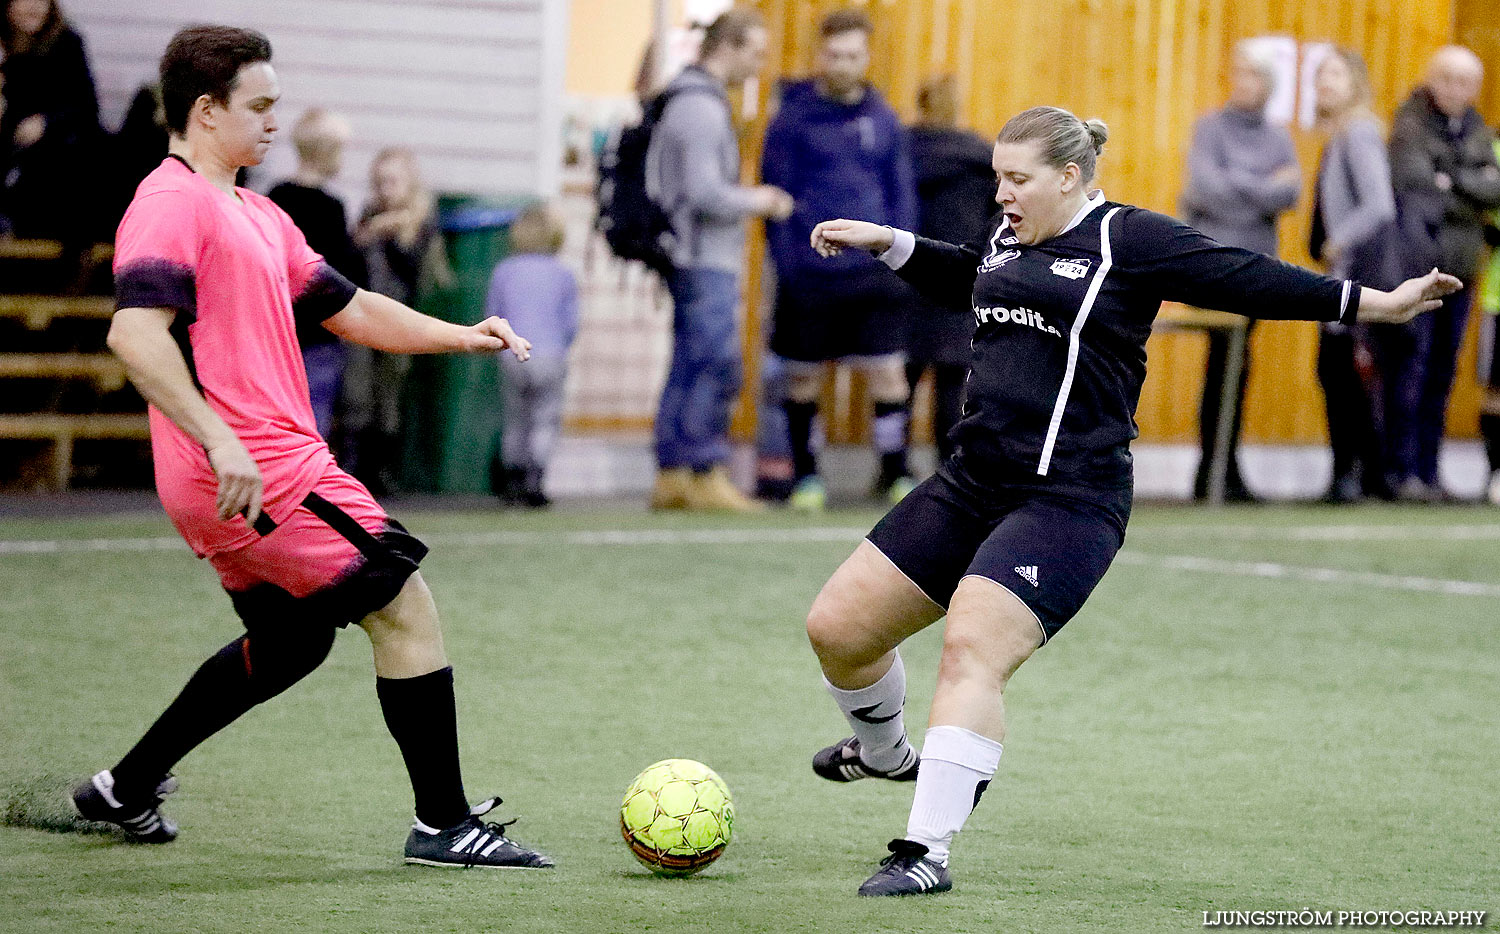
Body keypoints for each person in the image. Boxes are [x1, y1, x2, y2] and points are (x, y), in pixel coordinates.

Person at [801, 105, 1458, 897]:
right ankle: (886, 755)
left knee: (972, 644)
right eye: (998, 178)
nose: (1002, 194)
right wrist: (892, 244)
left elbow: (1246, 278)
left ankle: (924, 852)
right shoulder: (1013, 234)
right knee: (837, 629)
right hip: (973, 480)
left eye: (1018, 179)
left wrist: (1374, 303)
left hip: (1070, 499)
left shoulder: (1129, 240)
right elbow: (975, 276)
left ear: (1070, 177)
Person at [71, 25, 553, 869]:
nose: (272, 124)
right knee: (403, 601)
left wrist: (463, 336)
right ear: (205, 110)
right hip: (260, 469)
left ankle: (126, 787)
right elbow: (134, 336)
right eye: (258, 108)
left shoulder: (257, 211)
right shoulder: (169, 201)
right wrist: (222, 441)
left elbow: (353, 308)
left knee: (296, 642)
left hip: (246, 471)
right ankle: (444, 824)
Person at [762, 9, 918, 511]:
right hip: (809, 279)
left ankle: (895, 474)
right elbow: (776, 199)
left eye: (853, 55)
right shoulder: (791, 118)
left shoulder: (883, 118)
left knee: (889, 375)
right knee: (803, 379)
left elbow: (901, 196)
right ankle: (806, 478)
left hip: (873, 277)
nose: (843, 63)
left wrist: (898, 257)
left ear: (866, 57)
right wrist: (791, 265)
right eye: (835, 54)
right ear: (820, 56)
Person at [645, 8, 792, 513]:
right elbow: (705, 192)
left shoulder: (688, 100)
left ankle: (675, 475)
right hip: (703, 257)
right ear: (727, 46)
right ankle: (702, 468)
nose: (761, 62)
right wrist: (762, 199)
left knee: (691, 361)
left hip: (692, 254)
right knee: (712, 362)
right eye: (755, 50)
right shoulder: (701, 106)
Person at [1179, 42, 1302, 502]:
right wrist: (1260, 186)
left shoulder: (1278, 135)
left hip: (1254, 267)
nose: (1244, 82)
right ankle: (1211, 469)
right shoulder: (1209, 128)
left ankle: (1226, 468)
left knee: (1239, 366)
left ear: (1268, 84)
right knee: (1221, 366)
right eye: (1239, 72)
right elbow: (1205, 188)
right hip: (1210, 264)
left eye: (1254, 74)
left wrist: (1238, 180)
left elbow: (1290, 192)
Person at [1388, 46, 1500, 501]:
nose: (1456, 89)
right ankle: (1401, 471)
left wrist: (1450, 179)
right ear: (1433, 78)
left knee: (1442, 374)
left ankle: (1430, 473)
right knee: (1408, 371)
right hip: (1417, 270)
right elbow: (1416, 187)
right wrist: (1467, 188)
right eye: (1448, 78)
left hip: (1462, 272)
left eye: (1466, 82)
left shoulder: (1477, 130)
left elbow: (1494, 190)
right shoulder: (1409, 125)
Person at [1310, 47, 1396, 503]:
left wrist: (1338, 240)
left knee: (1343, 372)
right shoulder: (1341, 134)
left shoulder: (1359, 132)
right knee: (1338, 371)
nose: (1325, 82)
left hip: (1356, 275)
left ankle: (1356, 473)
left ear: (1356, 83)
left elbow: (1379, 205)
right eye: (1321, 74)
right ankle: (1355, 472)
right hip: (1346, 275)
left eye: (1336, 74)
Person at [339, 146, 443, 495]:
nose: (386, 190)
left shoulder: (419, 222)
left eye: (393, 182)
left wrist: (393, 235)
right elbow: (348, 263)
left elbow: (413, 273)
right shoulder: (369, 216)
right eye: (380, 182)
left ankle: (382, 471)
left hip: (397, 321)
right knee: (357, 393)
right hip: (360, 319)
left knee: (389, 396)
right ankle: (352, 468)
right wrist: (368, 234)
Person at [905, 75, 990, 464]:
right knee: (952, 381)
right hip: (960, 274)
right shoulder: (982, 159)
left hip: (909, 272)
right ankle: (947, 465)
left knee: (901, 378)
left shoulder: (902, 152)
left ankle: (893, 470)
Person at [268, 108, 368, 439]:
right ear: (327, 153)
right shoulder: (331, 207)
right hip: (318, 329)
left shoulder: (276, 196)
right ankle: (307, 485)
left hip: (278, 324)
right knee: (314, 416)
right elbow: (341, 268)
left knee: (276, 415)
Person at [485, 201, 577, 508]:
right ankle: (534, 481)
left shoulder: (504, 271)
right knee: (544, 420)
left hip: (512, 354)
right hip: (550, 355)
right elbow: (570, 323)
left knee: (515, 419)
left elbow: (493, 316)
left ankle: (512, 480)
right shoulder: (563, 275)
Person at [0, 0, 102, 241]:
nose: (34, 7)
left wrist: (47, 122)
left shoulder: (66, 43)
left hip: (53, 157)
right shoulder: (5, 49)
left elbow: (86, 107)